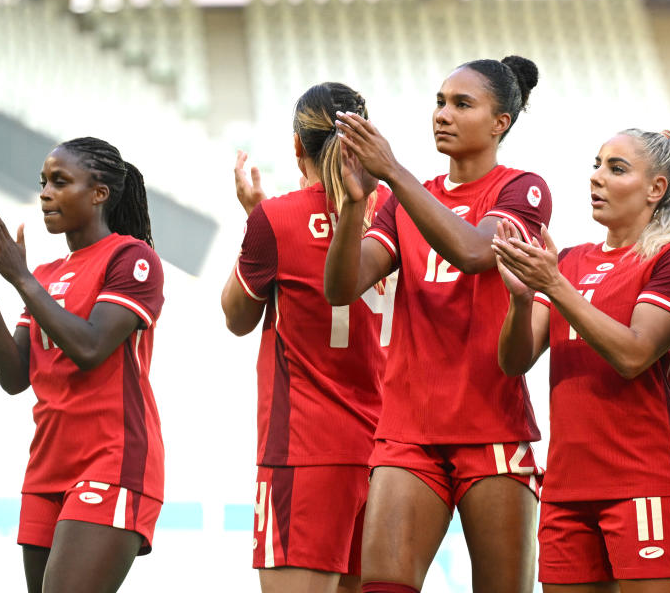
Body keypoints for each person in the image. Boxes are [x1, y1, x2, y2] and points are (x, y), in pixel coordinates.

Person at [324, 56, 550, 593]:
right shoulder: (404, 198)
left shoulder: (522, 188)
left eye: (462, 104)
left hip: (491, 426)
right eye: (440, 102)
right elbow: (340, 287)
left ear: (501, 123)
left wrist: (393, 174)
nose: (442, 115)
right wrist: (356, 203)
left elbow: (476, 251)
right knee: (381, 584)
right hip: (408, 428)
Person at [0, 137, 164, 593]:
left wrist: (21, 278)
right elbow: (15, 377)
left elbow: (92, 348)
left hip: (112, 461)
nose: (45, 193)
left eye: (60, 181)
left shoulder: (132, 259)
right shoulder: (50, 274)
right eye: (42, 183)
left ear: (99, 193)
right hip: (47, 467)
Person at [493, 129, 670, 592]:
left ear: (656, 189)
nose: (596, 178)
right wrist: (523, 300)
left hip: (644, 480)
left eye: (616, 168)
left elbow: (634, 355)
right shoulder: (568, 260)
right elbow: (513, 362)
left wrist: (554, 286)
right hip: (566, 487)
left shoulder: (669, 257)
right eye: (597, 164)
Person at [221, 82, 393, 593]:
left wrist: (256, 216)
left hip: (304, 450)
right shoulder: (396, 211)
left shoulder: (278, 218)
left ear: (298, 147)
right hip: (389, 452)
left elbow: (236, 315)